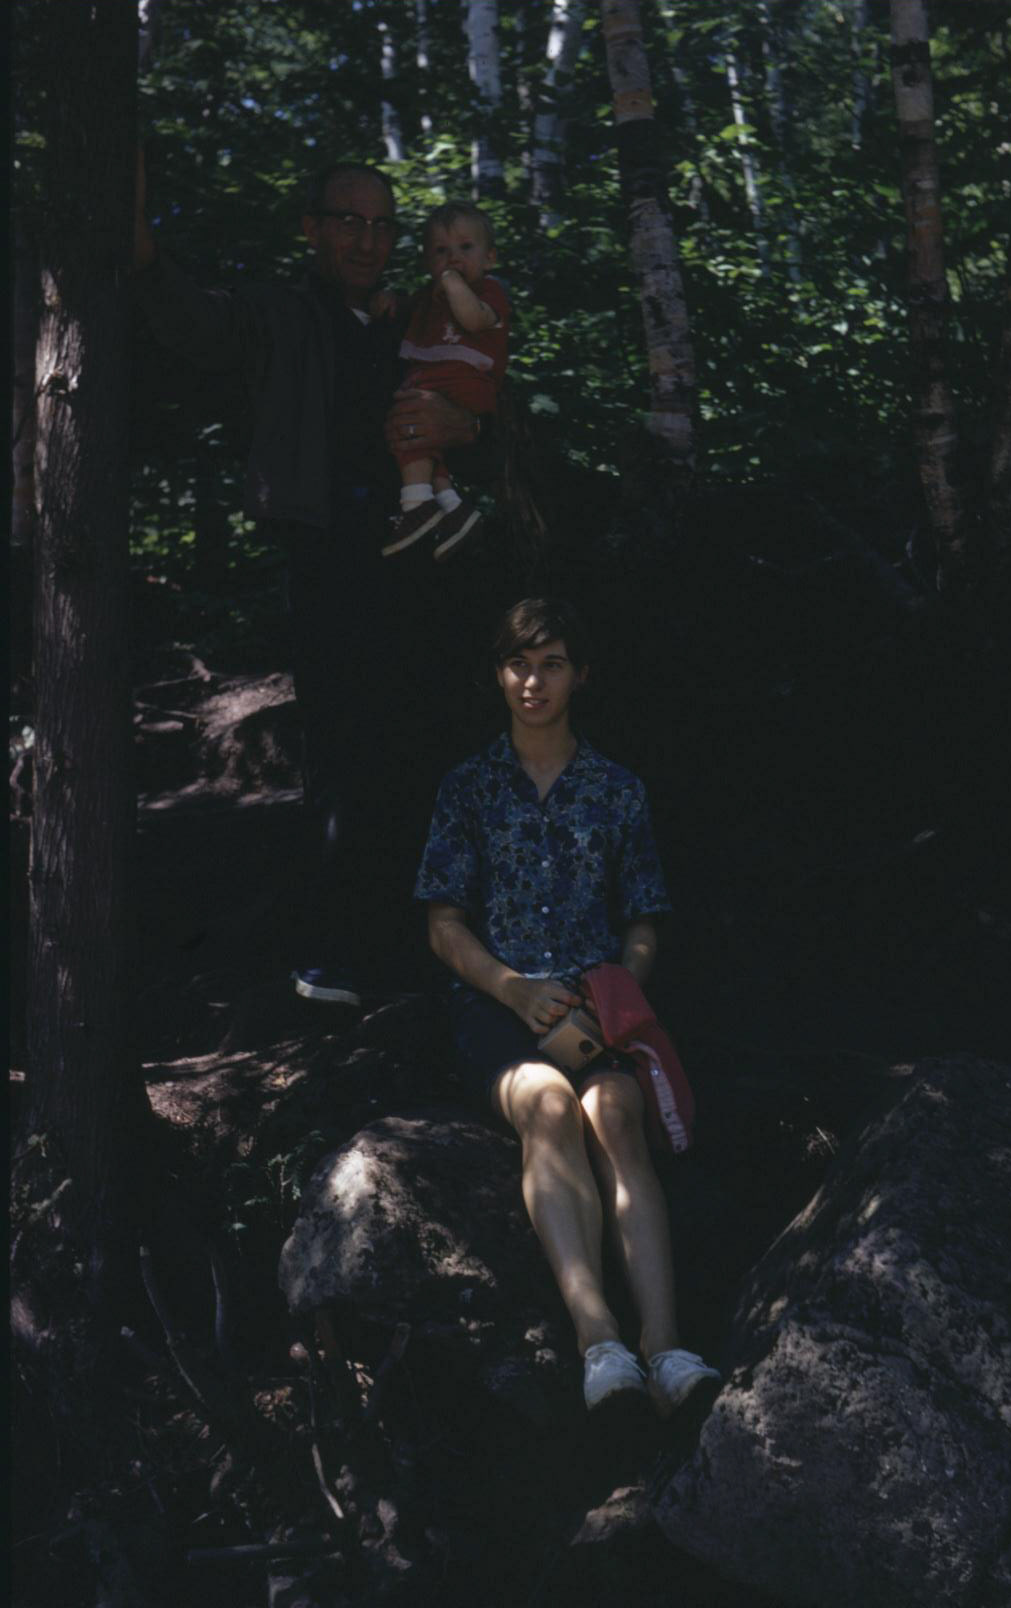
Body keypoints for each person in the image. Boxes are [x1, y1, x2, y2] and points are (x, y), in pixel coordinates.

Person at [132, 158, 495, 1003]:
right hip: (333, 558)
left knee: (432, 740)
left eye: (382, 225)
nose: (367, 241)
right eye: (348, 221)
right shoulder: (280, 312)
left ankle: (436, 948)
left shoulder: (419, 315)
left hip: (430, 551)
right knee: (346, 750)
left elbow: (486, 388)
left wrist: (468, 427)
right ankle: (336, 955)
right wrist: (141, 247)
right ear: (312, 229)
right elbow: (193, 323)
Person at [414, 598, 720, 1421]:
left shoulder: (616, 790)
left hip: (594, 1009)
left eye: (551, 664)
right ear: (497, 674)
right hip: (498, 1006)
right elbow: (443, 925)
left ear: (581, 675)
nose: (533, 682)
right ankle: (601, 1346)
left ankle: (668, 1350)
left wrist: (615, 990)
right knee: (548, 1106)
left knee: (616, 1113)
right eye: (518, 664)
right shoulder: (469, 788)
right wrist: (514, 988)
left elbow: (644, 921)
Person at [377, 201, 509, 561]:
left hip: (464, 380)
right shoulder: (429, 296)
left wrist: (452, 282)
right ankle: (454, 509)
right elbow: (408, 311)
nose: (452, 258)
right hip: (435, 380)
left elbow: (474, 320)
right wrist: (391, 301)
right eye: (440, 251)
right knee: (422, 437)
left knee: (411, 423)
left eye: (465, 248)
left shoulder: (487, 290)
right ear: (427, 262)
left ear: (489, 258)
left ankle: (416, 506)